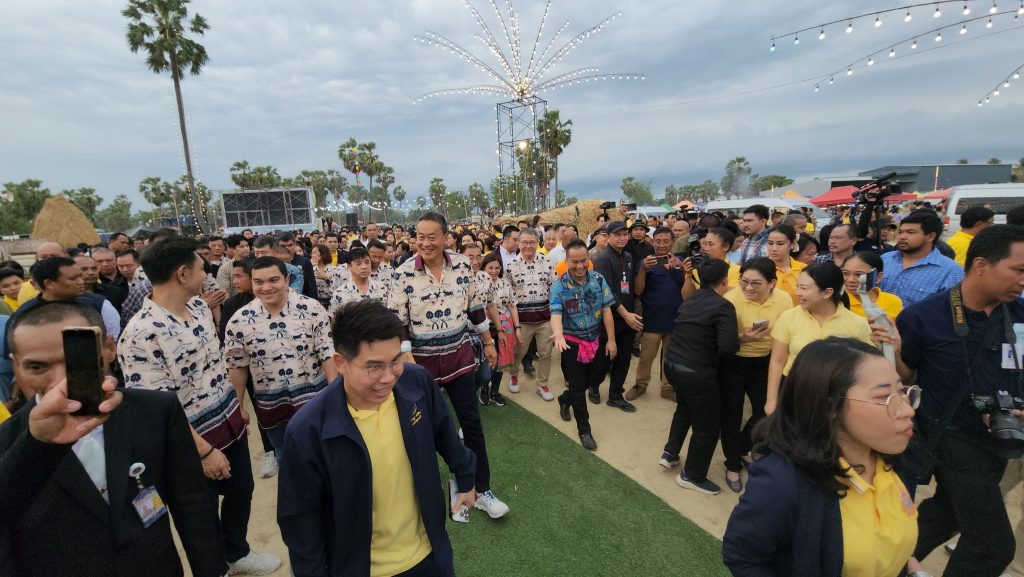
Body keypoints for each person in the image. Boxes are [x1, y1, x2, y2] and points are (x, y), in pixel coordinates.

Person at [0, 302, 226, 577]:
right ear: (15, 365)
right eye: (37, 367)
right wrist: (38, 447)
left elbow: (192, 504)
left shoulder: (155, 411)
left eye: (76, 361)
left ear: (108, 348)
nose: (61, 382)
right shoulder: (10, 443)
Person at [117, 237, 280, 575]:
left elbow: (216, 365)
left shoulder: (198, 308)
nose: (205, 271)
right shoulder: (140, 335)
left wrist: (236, 407)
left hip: (228, 423)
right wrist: (204, 452)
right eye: (199, 266)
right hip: (187, 446)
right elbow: (156, 408)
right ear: (182, 273)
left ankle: (237, 552)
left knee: (242, 491)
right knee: (199, 517)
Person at [888, 224, 1024, 576]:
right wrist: (895, 353)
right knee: (993, 546)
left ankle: (883, 562)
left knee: (943, 517)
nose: (1023, 280)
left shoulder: (1019, 315)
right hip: (946, 439)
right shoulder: (923, 317)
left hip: (999, 441)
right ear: (981, 265)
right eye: (1018, 270)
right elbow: (905, 380)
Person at [723, 338, 920, 577]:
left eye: (902, 392)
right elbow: (742, 556)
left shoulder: (890, 459)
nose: (908, 410)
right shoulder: (782, 483)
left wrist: (913, 569)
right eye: (884, 397)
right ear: (830, 407)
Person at [390, 212, 509, 519]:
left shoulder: (462, 266)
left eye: (431, 237)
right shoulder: (402, 273)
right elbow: (397, 321)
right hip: (420, 367)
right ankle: (421, 494)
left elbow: (475, 308)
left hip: (459, 360)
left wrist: (489, 342)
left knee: (472, 425)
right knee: (421, 430)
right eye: (420, 237)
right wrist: (407, 358)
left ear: (445, 238)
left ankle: (481, 489)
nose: (425, 243)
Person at [224, 256, 335, 461]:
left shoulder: (312, 309)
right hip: (271, 407)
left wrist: (336, 397)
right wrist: (238, 406)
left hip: (314, 402)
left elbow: (327, 354)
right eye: (258, 282)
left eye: (273, 280)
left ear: (287, 279)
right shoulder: (239, 320)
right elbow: (237, 366)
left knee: (322, 457)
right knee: (286, 459)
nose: (266, 287)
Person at [661, 260, 739, 495]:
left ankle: (670, 453)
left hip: (672, 365)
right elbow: (728, 348)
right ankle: (693, 475)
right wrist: (744, 337)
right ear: (725, 281)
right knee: (707, 425)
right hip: (696, 372)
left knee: (684, 408)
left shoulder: (691, 298)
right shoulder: (724, 306)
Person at [721, 258, 794, 492]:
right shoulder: (731, 300)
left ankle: (742, 447)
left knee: (766, 411)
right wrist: (744, 338)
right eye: (744, 282)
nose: (749, 288)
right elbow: (723, 340)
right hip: (734, 362)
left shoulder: (784, 300)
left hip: (766, 362)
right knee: (731, 415)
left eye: (756, 283)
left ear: (772, 283)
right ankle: (732, 465)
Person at [765, 264, 873, 415]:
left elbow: (866, 365)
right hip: (794, 388)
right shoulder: (789, 317)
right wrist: (771, 400)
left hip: (836, 394)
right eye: (798, 286)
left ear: (827, 292)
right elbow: (777, 361)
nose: (798, 293)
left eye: (804, 288)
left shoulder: (857, 324)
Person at [551, 239, 617, 450]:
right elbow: (555, 313)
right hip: (571, 345)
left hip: (596, 340)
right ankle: (584, 430)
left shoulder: (598, 279)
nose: (580, 266)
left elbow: (606, 310)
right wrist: (558, 335)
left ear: (589, 259)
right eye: (574, 262)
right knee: (578, 387)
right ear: (566, 261)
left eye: (583, 261)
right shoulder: (558, 287)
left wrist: (611, 339)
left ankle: (565, 399)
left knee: (595, 378)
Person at [591, 221, 644, 412]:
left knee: (624, 359)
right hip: (609, 317)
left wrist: (630, 314)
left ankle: (615, 395)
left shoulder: (628, 256)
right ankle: (594, 385)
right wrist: (625, 314)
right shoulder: (603, 259)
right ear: (608, 236)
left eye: (625, 234)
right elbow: (607, 291)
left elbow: (630, 287)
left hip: (628, 316)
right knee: (604, 358)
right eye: (617, 234)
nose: (622, 238)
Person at [628, 226, 685, 402]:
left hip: (676, 319)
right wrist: (643, 269)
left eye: (666, 241)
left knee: (670, 358)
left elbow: (690, 287)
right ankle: (640, 384)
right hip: (652, 319)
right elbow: (638, 290)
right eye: (658, 241)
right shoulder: (645, 263)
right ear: (652, 242)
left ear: (673, 242)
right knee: (646, 357)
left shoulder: (681, 261)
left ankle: (667, 387)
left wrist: (682, 267)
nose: (661, 245)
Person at [506, 228, 557, 400]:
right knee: (519, 352)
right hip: (522, 320)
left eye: (532, 242)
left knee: (546, 353)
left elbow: (554, 289)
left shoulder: (548, 262)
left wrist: (556, 317)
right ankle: (513, 375)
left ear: (537, 243)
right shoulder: (511, 266)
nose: (528, 246)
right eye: (524, 242)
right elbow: (508, 296)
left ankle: (542, 385)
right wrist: (514, 324)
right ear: (518, 243)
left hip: (545, 318)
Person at [879, 210, 964, 307]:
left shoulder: (951, 271)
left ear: (930, 236)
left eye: (910, 232)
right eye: (900, 232)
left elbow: (952, 309)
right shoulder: (885, 258)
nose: (902, 237)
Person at [480, 250, 516, 406]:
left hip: (504, 327)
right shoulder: (478, 284)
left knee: (501, 360)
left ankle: (495, 391)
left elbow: (512, 305)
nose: (494, 271)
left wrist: (517, 327)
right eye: (490, 268)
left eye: (497, 268)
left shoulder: (505, 283)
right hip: (485, 328)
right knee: (487, 360)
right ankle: (484, 387)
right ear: (483, 268)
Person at [841, 251, 904, 322]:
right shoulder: (836, 301)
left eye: (859, 275)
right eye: (845, 273)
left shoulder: (893, 301)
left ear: (878, 277)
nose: (850, 280)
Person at [329, 247, 390, 314]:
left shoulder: (381, 288)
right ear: (349, 266)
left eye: (367, 262)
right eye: (358, 263)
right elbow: (334, 318)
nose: (364, 267)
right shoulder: (340, 293)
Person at [764, 224, 806, 305]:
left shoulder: (803, 269)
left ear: (793, 244)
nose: (774, 248)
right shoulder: (760, 269)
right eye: (770, 243)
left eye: (780, 244)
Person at [278, 232, 319, 300]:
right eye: (283, 246)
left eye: (290, 245)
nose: (286, 248)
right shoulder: (273, 262)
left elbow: (311, 287)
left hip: (301, 300)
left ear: (294, 245)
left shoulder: (305, 262)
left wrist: (314, 302)